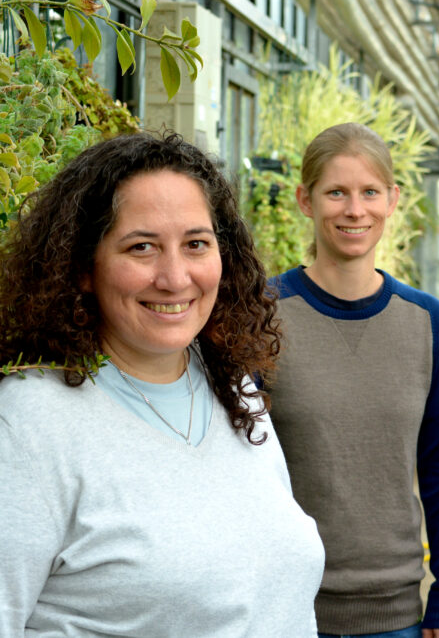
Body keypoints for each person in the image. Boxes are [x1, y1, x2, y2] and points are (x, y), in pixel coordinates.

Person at [0, 132, 325, 636]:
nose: (175, 277)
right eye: (142, 247)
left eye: (196, 244)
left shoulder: (230, 387)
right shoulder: (28, 424)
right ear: (84, 267)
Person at [264, 123, 439, 638]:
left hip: (395, 615)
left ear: (392, 200)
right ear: (305, 201)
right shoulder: (260, 317)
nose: (354, 210)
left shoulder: (427, 322)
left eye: (369, 192)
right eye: (336, 192)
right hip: (281, 608)